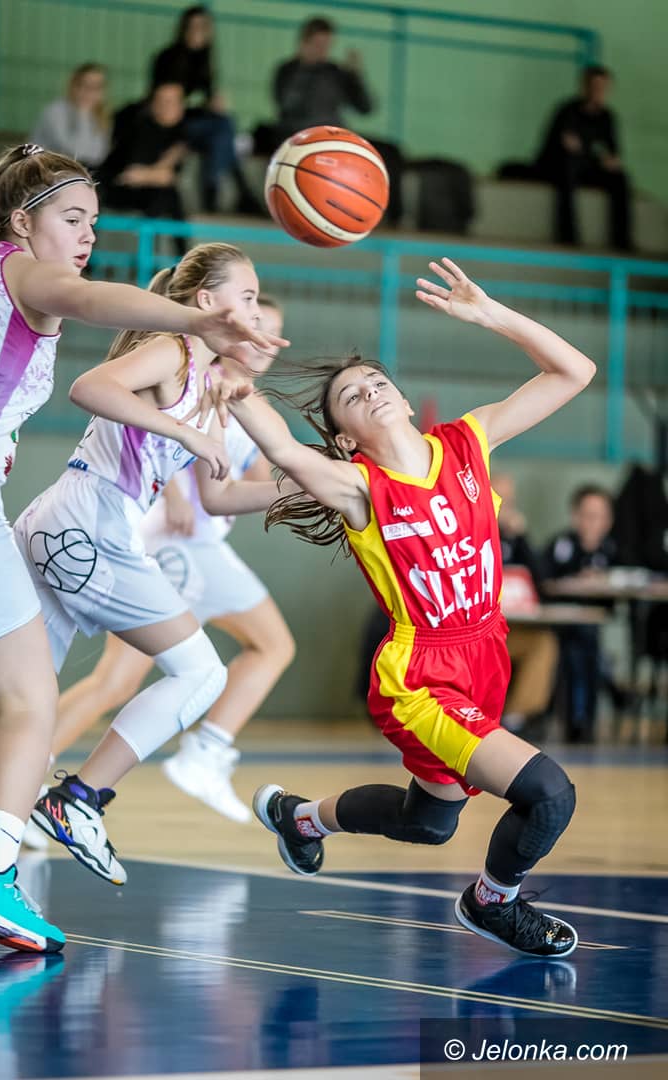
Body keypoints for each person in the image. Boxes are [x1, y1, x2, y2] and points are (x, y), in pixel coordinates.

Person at [209, 257, 597, 958]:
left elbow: (575, 372)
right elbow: (281, 447)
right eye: (352, 395)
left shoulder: (470, 441)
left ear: (405, 398)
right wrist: (235, 383)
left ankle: (301, 819)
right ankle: (492, 903)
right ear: (346, 437)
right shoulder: (357, 486)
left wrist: (491, 314)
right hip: (421, 677)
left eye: (377, 382)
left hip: (485, 654)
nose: (370, 391)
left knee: (429, 822)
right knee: (548, 794)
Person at [0, 146, 276, 954]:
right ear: (22, 222)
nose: (88, 235)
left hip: (4, 505)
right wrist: (195, 325)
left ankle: (22, 844)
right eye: (72, 218)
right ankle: (15, 851)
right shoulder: (26, 272)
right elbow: (89, 305)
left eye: (94, 221)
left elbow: (230, 487)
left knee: (16, 701)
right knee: (39, 701)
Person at [22, 296, 295, 835]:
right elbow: (159, 436)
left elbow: (258, 481)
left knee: (113, 684)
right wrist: (173, 490)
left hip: (174, 543)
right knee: (272, 645)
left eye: (274, 331)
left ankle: (29, 778)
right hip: (179, 543)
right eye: (255, 323)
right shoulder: (198, 378)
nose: (264, 340)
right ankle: (207, 751)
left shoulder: (251, 404)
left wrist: (317, 485)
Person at [256, 16, 403, 226]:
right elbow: (285, 103)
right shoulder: (287, 70)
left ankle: (390, 219)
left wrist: (355, 76)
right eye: (318, 45)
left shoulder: (335, 72)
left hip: (337, 137)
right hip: (303, 138)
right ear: (304, 43)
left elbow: (366, 108)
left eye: (327, 45)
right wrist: (305, 68)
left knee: (391, 152)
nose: (323, 50)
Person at [150, 5, 261, 214]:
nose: (198, 32)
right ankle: (227, 190)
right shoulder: (168, 58)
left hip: (197, 123)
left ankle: (219, 189)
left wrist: (214, 103)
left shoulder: (205, 59)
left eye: (203, 27)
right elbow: (165, 102)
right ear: (184, 28)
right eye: (194, 26)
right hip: (175, 124)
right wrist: (200, 105)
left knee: (223, 129)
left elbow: (204, 97)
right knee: (224, 128)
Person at [542, 484, 619, 743]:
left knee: (588, 647)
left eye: (600, 516)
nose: (593, 522)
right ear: (575, 516)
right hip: (562, 624)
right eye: (588, 515)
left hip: (596, 625)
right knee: (577, 650)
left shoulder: (613, 549)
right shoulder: (561, 545)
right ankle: (579, 719)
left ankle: (586, 717)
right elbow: (543, 582)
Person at [534, 65, 632, 251]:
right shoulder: (567, 111)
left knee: (620, 177)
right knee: (568, 169)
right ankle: (568, 236)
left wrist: (608, 159)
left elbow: (612, 153)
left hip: (587, 167)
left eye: (603, 87)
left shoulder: (607, 117)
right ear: (585, 86)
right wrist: (593, 154)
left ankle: (622, 240)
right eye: (595, 86)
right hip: (558, 167)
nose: (598, 91)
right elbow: (566, 146)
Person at [491, 471, 558, 735]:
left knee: (543, 643)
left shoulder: (515, 539)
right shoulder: (467, 532)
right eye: (499, 499)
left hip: (508, 629)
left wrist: (522, 537)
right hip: (475, 635)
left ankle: (514, 719)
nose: (505, 508)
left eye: (510, 502)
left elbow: (542, 582)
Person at [96, 82, 190, 239]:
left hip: (150, 194)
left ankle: (158, 249)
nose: (164, 106)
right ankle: (152, 250)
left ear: (181, 106)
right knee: (166, 193)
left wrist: (158, 175)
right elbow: (132, 175)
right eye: (160, 100)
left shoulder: (182, 134)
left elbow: (171, 177)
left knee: (167, 195)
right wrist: (160, 174)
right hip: (115, 188)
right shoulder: (140, 128)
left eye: (170, 101)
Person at [31, 63, 110, 170]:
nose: (90, 92)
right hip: (45, 170)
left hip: (73, 171)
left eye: (96, 87)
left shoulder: (100, 116)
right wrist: (83, 114)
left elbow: (98, 156)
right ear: (73, 86)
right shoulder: (55, 112)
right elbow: (76, 153)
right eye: (84, 85)